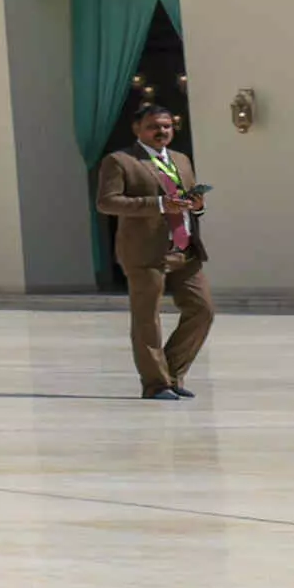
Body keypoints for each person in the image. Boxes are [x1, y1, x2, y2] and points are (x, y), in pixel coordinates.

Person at [96, 102, 213, 401]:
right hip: (145, 252)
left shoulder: (181, 160)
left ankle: (171, 375)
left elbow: (185, 201)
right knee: (148, 319)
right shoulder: (120, 161)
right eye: (153, 126)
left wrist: (196, 207)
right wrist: (159, 204)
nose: (161, 131)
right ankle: (156, 385)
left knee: (202, 311)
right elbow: (107, 202)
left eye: (166, 126)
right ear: (137, 129)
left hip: (184, 248)